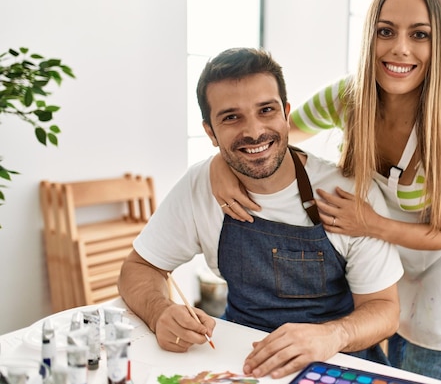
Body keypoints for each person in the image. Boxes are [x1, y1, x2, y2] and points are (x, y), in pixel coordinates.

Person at [209, 0, 441, 383]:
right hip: (377, 239)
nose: (400, 48)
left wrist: (370, 224)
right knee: (372, 361)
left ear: (438, 45)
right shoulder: (349, 97)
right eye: (386, 31)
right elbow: (274, 132)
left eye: (420, 35)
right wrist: (220, 161)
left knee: (417, 369)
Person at [117, 47, 404, 380]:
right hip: (243, 364)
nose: (253, 131)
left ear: (286, 113)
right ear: (210, 132)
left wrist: (331, 335)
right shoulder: (199, 186)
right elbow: (138, 267)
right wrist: (159, 312)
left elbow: (385, 310)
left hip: (338, 362)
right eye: (231, 117)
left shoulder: (349, 192)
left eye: (266, 110)